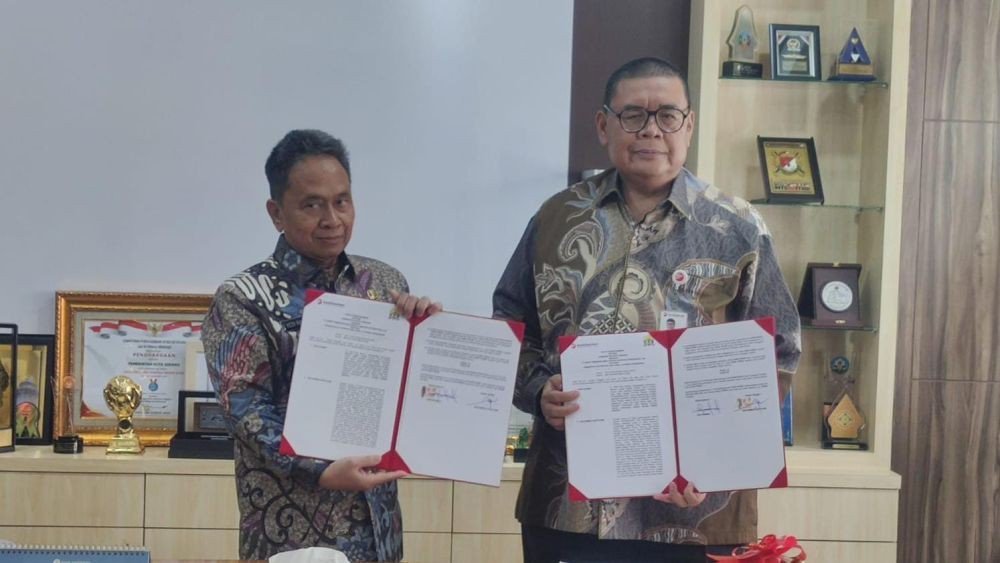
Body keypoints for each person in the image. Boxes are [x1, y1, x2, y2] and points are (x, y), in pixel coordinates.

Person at [493, 57, 801, 563]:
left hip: (695, 511)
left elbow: (779, 351)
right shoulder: (556, 219)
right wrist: (537, 390)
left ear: (689, 125)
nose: (651, 130)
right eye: (633, 115)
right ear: (603, 126)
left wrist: (720, 458)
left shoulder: (739, 227)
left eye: (668, 116)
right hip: (567, 504)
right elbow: (510, 324)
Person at [202, 129, 441, 562]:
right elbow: (246, 411)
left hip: (378, 531)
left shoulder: (384, 284)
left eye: (341, 201)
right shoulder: (243, 298)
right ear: (276, 213)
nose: (332, 219)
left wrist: (427, 336)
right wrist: (320, 470)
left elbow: (407, 394)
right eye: (312, 205)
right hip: (292, 530)